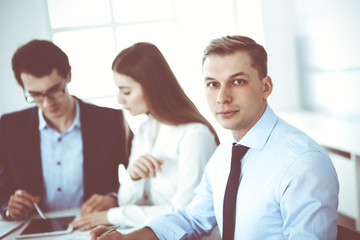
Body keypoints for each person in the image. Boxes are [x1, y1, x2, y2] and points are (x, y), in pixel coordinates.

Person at [90, 35, 339, 240]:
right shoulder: (227, 153)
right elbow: (193, 218)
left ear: (266, 87)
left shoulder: (302, 163)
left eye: (237, 81)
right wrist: (126, 238)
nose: (222, 98)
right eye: (212, 84)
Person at [70, 42, 219, 231]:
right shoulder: (145, 130)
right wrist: (134, 177)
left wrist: (110, 215)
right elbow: (128, 202)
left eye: (126, 91)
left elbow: (184, 214)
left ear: (152, 87)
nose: (119, 100)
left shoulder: (195, 135)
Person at [0, 40, 132, 220]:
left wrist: (114, 199)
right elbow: (2, 192)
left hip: (95, 227)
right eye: (35, 95)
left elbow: (142, 182)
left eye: (54, 90)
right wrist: (9, 207)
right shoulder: (9, 127)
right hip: (32, 230)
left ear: (68, 76)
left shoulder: (111, 121)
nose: (47, 103)